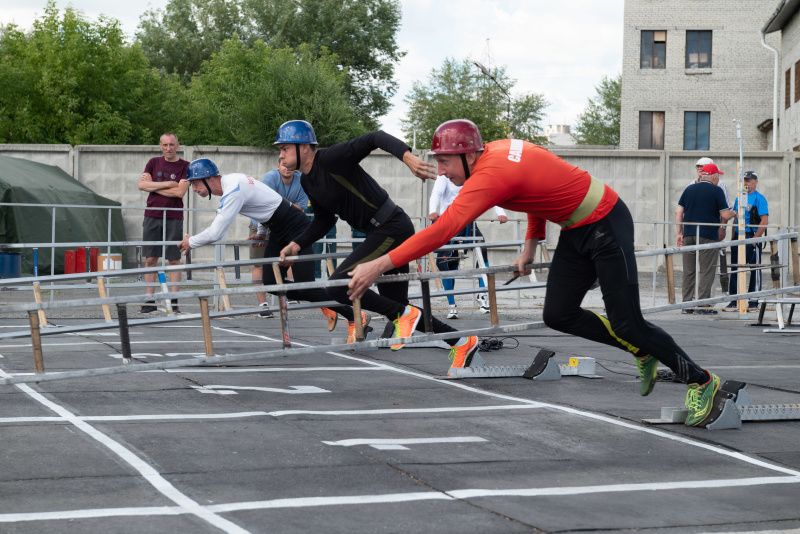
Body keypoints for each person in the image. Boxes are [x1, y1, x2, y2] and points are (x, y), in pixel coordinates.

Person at [348, 119, 723, 427]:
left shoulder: (487, 176)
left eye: (445, 163)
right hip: (576, 228)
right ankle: (642, 350)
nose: (441, 173)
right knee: (557, 314)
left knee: (628, 323)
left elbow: (442, 231)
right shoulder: (496, 150)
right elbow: (537, 186)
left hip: (608, 220)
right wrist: (532, 242)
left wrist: (380, 263)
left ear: (468, 154)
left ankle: (702, 379)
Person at [274, 120, 478, 371]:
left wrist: (407, 157)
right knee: (400, 308)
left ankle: (406, 317)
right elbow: (325, 220)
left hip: (391, 227)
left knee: (339, 285)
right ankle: (462, 341)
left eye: (284, 148)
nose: (281, 155)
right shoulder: (307, 182)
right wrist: (297, 244)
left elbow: (374, 137)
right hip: (381, 232)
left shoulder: (331, 159)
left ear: (303, 147)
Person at [176, 158, 368, 343]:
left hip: (296, 227)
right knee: (271, 283)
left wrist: (191, 242)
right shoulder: (233, 181)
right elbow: (262, 202)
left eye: (195, 184)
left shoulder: (233, 189)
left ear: (209, 178)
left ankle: (355, 316)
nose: (193, 189)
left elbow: (216, 232)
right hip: (277, 228)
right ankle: (327, 305)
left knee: (306, 286)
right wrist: (261, 232)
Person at [428, 174, 508, 317]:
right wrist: (432, 210)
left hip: (468, 221)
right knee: (445, 262)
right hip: (448, 221)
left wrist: (500, 212)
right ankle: (451, 305)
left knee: (482, 250)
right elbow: (437, 193)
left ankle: (482, 295)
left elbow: (489, 192)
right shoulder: (445, 174)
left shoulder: (472, 173)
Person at [248, 161, 310, 319]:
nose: (287, 168)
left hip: (285, 225)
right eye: (283, 165)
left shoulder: (301, 180)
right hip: (261, 223)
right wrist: (286, 209)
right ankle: (263, 305)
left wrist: (282, 209)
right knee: (260, 263)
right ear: (277, 166)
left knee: (288, 257)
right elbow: (263, 205)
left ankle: (287, 296)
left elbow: (301, 208)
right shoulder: (270, 178)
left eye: (290, 165)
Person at [137, 132, 190, 314]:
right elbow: (142, 186)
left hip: (174, 216)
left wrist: (155, 185)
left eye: (172, 145)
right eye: (165, 145)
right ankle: (149, 300)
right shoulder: (153, 162)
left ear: (178, 145)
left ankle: (173, 300)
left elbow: (179, 193)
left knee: (174, 259)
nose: (169, 148)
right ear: (160, 146)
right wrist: (169, 184)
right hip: (152, 215)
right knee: (151, 258)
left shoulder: (185, 166)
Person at [676, 164, 736, 314]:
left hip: (689, 234)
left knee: (689, 271)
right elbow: (725, 215)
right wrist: (735, 212)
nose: (718, 179)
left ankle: (687, 305)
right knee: (706, 271)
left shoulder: (689, 189)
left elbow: (678, 212)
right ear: (714, 177)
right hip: (707, 235)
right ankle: (702, 306)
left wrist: (679, 233)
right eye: (718, 176)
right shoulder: (717, 190)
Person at [724, 170, 769, 310]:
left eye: (749, 181)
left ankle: (753, 300)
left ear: (755, 182)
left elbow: (764, 221)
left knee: (754, 268)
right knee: (735, 268)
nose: (746, 183)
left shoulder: (759, 198)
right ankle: (734, 299)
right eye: (744, 180)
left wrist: (755, 239)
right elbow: (735, 219)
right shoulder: (739, 198)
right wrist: (732, 236)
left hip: (751, 235)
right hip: (738, 235)